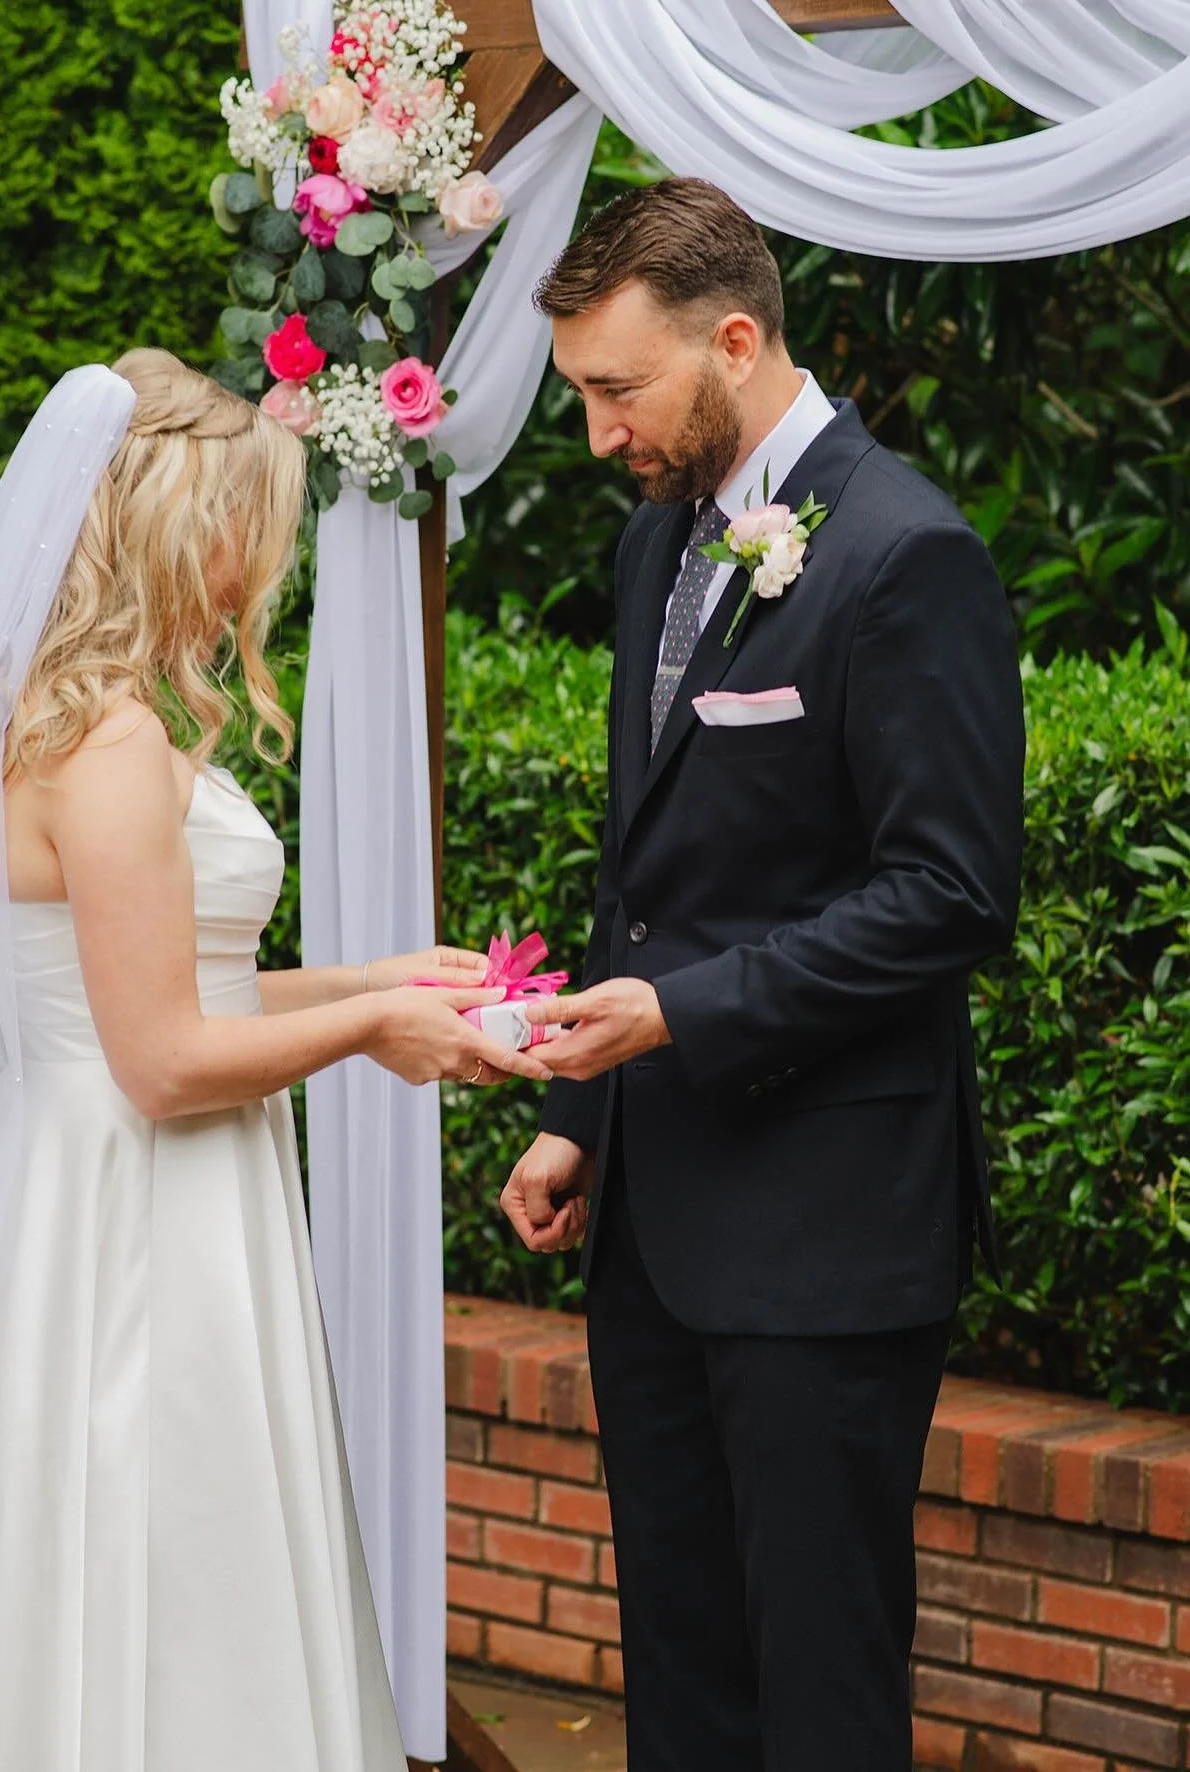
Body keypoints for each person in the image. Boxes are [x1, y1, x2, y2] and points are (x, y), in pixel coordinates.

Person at [0, 348, 548, 1772]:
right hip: (137, 1201)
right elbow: (165, 1060)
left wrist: (375, 975)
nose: (265, 563)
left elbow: (170, 981)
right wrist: (372, 1034)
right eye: (255, 523)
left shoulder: (54, 713)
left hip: (93, 1171)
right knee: (159, 1529)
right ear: (185, 522)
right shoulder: (105, 743)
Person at [502, 179, 1025, 1771]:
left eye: (617, 391)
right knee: (677, 1655)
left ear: (734, 340)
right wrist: (586, 1117)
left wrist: (687, 1017)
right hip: (655, 1217)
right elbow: (644, 869)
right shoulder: (657, 548)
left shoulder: (903, 554)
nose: (598, 436)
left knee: (815, 1676)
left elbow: (949, 893)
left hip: (823, 1230)